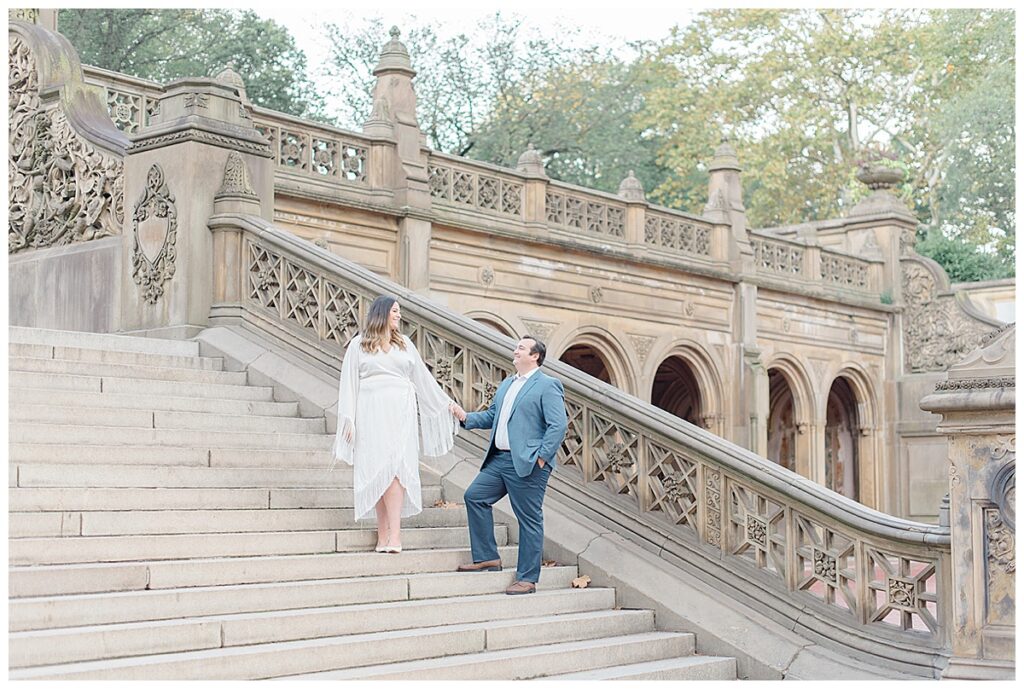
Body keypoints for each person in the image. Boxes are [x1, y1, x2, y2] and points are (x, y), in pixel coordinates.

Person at [330, 295, 457, 554]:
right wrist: (349, 419)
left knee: (397, 469)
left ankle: (396, 535)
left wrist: (447, 405)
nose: (399, 315)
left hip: (400, 412)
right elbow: (349, 384)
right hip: (370, 412)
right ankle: (382, 534)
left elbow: (424, 379)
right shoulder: (359, 345)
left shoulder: (406, 345)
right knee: (376, 470)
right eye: (395, 311)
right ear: (382, 313)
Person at [450, 336, 567, 595]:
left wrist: (541, 458)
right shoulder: (507, 384)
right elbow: (493, 416)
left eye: (521, 348)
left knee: (528, 519)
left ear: (535, 356)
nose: (515, 350)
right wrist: (465, 417)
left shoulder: (548, 385)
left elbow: (558, 426)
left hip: (528, 463)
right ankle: (487, 557)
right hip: (500, 459)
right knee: (475, 496)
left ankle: (527, 578)